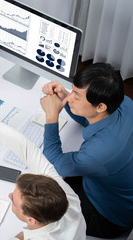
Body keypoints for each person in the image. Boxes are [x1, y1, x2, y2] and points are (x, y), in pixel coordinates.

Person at [0, 89, 86, 240]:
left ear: (31, 220)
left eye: (14, 202)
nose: (9, 196)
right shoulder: (68, 199)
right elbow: (26, 148)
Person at [40, 62, 133, 238]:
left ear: (101, 106)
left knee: (43, 208)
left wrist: (52, 116)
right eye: (73, 91)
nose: (70, 98)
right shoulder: (124, 102)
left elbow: (54, 162)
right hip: (120, 187)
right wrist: (65, 97)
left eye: (77, 95)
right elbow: (90, 118)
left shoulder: (98, 153)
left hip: (106, 215)